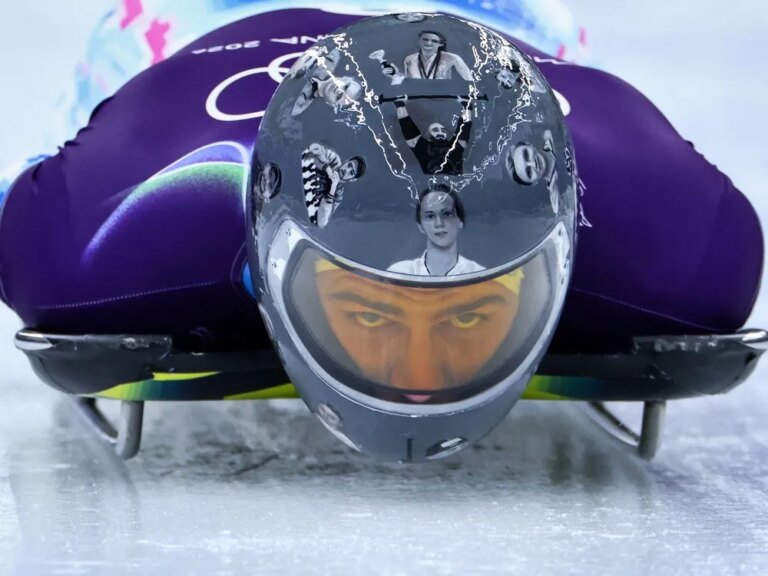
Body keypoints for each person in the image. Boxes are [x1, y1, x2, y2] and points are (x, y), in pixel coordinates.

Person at [388, 184, 483, 276]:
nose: (439, 223)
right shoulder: (399, 273)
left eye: (446, 214)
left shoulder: (479, 275)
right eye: (430, 216)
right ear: (420, 226)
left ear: (460, 222)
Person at [394, 96, 472, 174]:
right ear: (428, 134)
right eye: (435, 130)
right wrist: (400, 105)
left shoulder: (455, 145)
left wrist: (467, 106)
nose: (440, 133)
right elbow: (407, 126)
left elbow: (464, 128)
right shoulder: (422, 146)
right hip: (433, 181)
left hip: (454, 181)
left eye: (443, 131)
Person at [301, 143, 366, 227]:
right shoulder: (334, 160)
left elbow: (321, 222)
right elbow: (313, 147)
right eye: (349, 165)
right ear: (347, 161)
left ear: (353, 179)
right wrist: (327, 168)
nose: (346, 170)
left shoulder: (338, 194)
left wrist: (333, 187)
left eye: (351, 172)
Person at [505, 130, 566, 213]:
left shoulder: (551, 134)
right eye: (529, 172)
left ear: (529, 145)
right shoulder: (557, 203)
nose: (533, 163)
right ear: (533, 183)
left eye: (526, 154)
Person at [402, 30, 473, 80]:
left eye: (434, 41)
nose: (428, 43)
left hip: (443, 97)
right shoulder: (409, 59)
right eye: (425, 40)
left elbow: (469, 80)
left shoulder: (453, 58)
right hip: (417, 97)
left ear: (441, 44)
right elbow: (407, 82)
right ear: (419, 41)